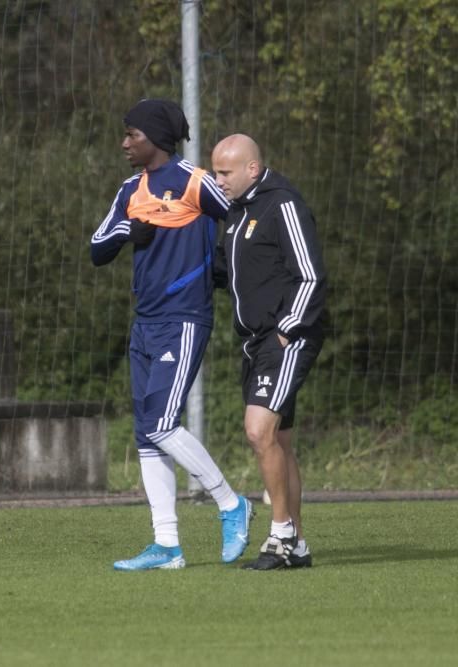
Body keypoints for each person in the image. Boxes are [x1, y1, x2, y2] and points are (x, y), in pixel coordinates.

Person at [91, 99, 253, 571]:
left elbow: (242, 217)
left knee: (161, 423)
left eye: (132, 135)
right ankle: (167, 545)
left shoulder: (196, 181)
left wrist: (223, 266)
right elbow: (97, 249)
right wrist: (128, 232)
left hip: (185, 317)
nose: (124, 143)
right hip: (146, 321)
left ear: (157, 138)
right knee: (147, 434)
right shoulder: (130, 190)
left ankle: (230, 503)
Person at [211, 133, 327, 570]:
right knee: (278, 439)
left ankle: (279, 536)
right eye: (215, 171)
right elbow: (229, 274)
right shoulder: (236, 214)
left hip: (288, 336)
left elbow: (311, 277)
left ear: (252, 169)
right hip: (254, 341)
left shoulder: (283, 205)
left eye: (225, 172)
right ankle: (296, 544)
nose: (218, 180)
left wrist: (286, 330)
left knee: (258, 430)